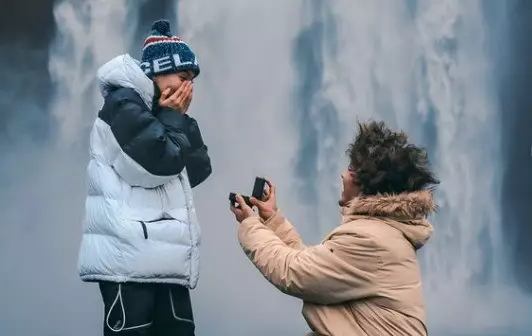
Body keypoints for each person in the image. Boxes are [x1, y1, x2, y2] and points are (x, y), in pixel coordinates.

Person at [231, 120, 439, 336]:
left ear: (367, 183)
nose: (342, 175)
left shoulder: (371, 239)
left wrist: (250, 224)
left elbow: (294, 272)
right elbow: (316, 270)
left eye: (350, 170)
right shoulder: (383, 233)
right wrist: (272, 220)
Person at [77, 19, 211, 336]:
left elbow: (197, 168)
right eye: (183, 76)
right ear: (157, 71)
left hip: (166, 265)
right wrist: (171, 118)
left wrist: (177, 119)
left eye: (192, 80)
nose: (188, 86)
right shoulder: (122, 105)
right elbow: (157, 164)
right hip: (129, 266)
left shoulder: (162, 114)